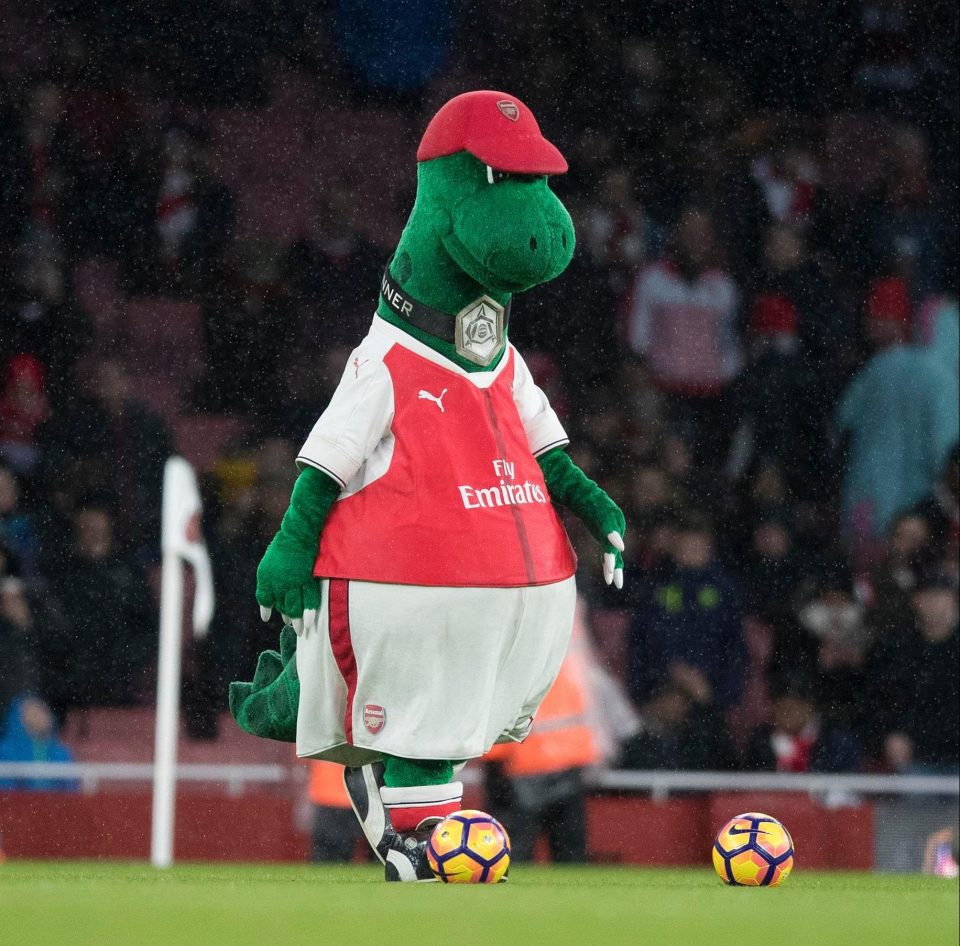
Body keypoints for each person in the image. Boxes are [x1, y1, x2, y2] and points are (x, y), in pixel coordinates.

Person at [835, 277, 959, 565]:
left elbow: (842, 423)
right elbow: (946, 450)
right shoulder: (942, 380)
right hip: (917, 507)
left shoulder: (876, 368)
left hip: (865, 497)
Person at [627, 513, 745, 712]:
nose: (690, 554)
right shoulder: (657, 585)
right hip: (661, 691)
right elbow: (642, 642)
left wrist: (714, 692)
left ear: (710, 548)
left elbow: (733, 645)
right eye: (685, 548)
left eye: (697, 548)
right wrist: (669, 677)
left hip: (710, 694)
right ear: (675, 547)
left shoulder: (725, 590)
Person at [0, 695, 76, 792]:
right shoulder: (6, 751)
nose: (42, 717)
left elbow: (70, 789)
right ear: (20, 718)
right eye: (34, 713)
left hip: (54, 805)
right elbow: (6, 792)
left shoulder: (60, 752)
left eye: (43, 711)